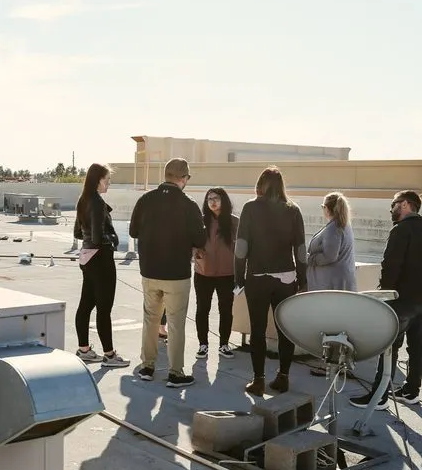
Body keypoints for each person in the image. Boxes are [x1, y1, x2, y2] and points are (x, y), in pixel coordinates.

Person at [350, 190, 422, 409]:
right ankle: (411, 392)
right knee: (417, 344)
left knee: (390, 346)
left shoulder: (400, 230)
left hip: (401, 300)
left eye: (393, 204)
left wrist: (384, 294)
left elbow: (390, 266)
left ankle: (379, 397)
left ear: (405, 205)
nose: (391, 209)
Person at [129, 158, 206, 387]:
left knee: (150, 320)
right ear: (183, 178)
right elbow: (200, 239)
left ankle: (147, 366)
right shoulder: (188, 204)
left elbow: (133, 232)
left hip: (150, 271)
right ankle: (175, 373)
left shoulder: (145, 200)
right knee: (175, 324)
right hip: (177, 274)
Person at [234, 166, 307, 396]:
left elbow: (241, 246)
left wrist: (238, 276)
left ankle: (258, 381)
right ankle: (283, 377)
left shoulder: (250, 208)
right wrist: (302, 279)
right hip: (286, 277)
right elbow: (301, 249)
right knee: (284, 328)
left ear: (260, 185)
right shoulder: (293, 210)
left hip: (258, 276)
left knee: (257, 330)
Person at [73, 164, 130, 367]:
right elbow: (98, 237)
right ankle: (109, 355)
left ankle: (84, 350)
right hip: (101, 259)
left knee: (85, 305)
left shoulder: (83, 200)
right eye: (107, 179)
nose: (109, 183)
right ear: (98, 180)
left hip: (87, 257)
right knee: (104, 308)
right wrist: (113, 239)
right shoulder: (97, 202)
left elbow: (78, 233)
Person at [193, 187, 238, 359]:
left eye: (216, 198)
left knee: (226, 310)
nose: (212, 202)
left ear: (223, 200)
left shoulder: (234, 222)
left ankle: (224, 344)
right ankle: (202, 344)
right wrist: (196, 252)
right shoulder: (200, 221)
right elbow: (191, 241)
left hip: (227, 274)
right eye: (209, 199)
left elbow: (243, 246)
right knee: (202, 309)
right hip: (203, 273)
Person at [306, 192, 357, 293]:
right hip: (339, 281)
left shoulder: (333, 228)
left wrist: (310, 259)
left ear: (327, 208)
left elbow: (329, 256)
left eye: (323, 207)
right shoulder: (344, 225)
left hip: (331, 284)